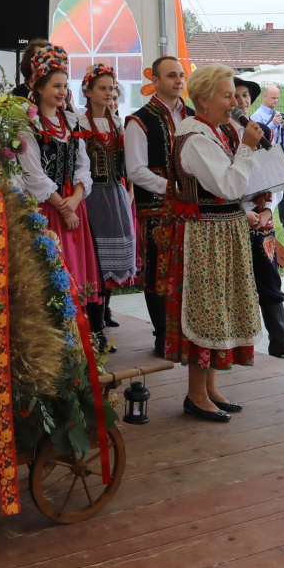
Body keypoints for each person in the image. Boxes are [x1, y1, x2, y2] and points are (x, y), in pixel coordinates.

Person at [156, 63, 265, 423]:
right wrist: (247, 148)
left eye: (235, 94)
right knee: (206, 311)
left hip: (221, 233)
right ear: (203, 99)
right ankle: (195, 394)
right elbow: (229, 187)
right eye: (227, 95)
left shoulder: (215, 131)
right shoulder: (197, 138)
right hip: (204, 237)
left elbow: (236, 185)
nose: (235, 102)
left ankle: (210, 389)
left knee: (218, 310)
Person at [17, 45, 103, 324]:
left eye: (65, 85)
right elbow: (32, 172)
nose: (62, 91)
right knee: (51, 272)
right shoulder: (27, 124)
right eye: (55, 85)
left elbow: (82, 163)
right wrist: (62, 207)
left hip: (73, 205)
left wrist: (77, 198)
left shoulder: (71, 120)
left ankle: (83, 334)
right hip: (47, 208)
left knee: (76, 273)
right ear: (38, 87)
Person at [231, 78, 284, 360]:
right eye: (236, 96)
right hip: (232, 218)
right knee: (235, 281)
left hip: (262, 218)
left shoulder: (262, 130)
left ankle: (281, 340)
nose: (242, 101)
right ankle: (235, 344)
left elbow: (276, 177)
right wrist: (244, 211)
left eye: (246, 96)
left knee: (270, 276)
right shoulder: (218, 134)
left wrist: (266, 211)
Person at [124, 55, 191, 355]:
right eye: (172, 76)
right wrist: (174, 190)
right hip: (156, 209)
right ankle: (162, 335)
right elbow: (136, 170)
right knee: (156, 272)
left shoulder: (192, 116)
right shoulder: (140, 120)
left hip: (189, 208)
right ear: (156, 81)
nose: (179, 81)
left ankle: (186, 332)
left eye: (181, 75)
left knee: (187, 269)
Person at [77, 63, 136, 353]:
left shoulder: (116, 122)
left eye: (111, 88)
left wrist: (129, 192)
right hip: (89, 199)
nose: (107, 93)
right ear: (87, 91)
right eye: (102, 88)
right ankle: (91, 329)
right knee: (92, 266)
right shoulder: (79, 122)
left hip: (114, 196)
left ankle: (98, 328)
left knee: (107, 269)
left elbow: (125, 164)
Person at [252, 84, 284, 234]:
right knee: (270, 194)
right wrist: (272, 124)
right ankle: (280, 224)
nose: (276, 101)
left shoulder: (278, 114)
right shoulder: (257, 116)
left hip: (281, 159)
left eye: (277, 97)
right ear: (264, 97)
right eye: (273, 97)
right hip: (266, 161)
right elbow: (257, 139)